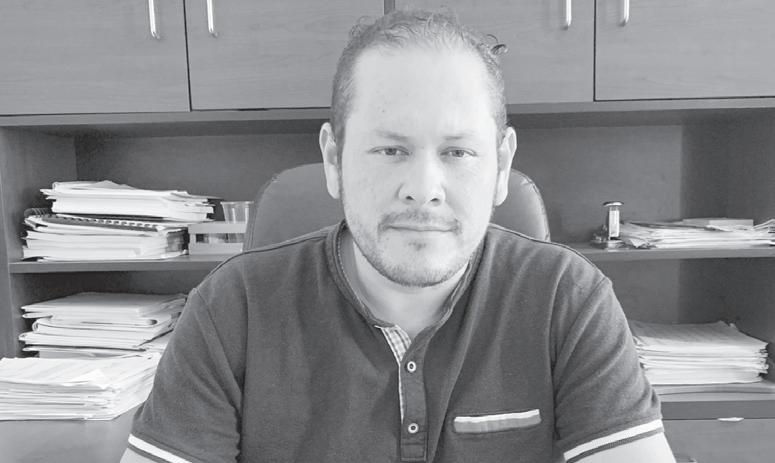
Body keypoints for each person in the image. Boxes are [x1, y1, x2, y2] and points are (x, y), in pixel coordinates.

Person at [121, 8, 676, 463]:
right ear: (334, 159)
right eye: (390, 149)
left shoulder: (567, 298)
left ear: (502, 164)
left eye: (458, 151)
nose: (423, 189)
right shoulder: (232, 307)